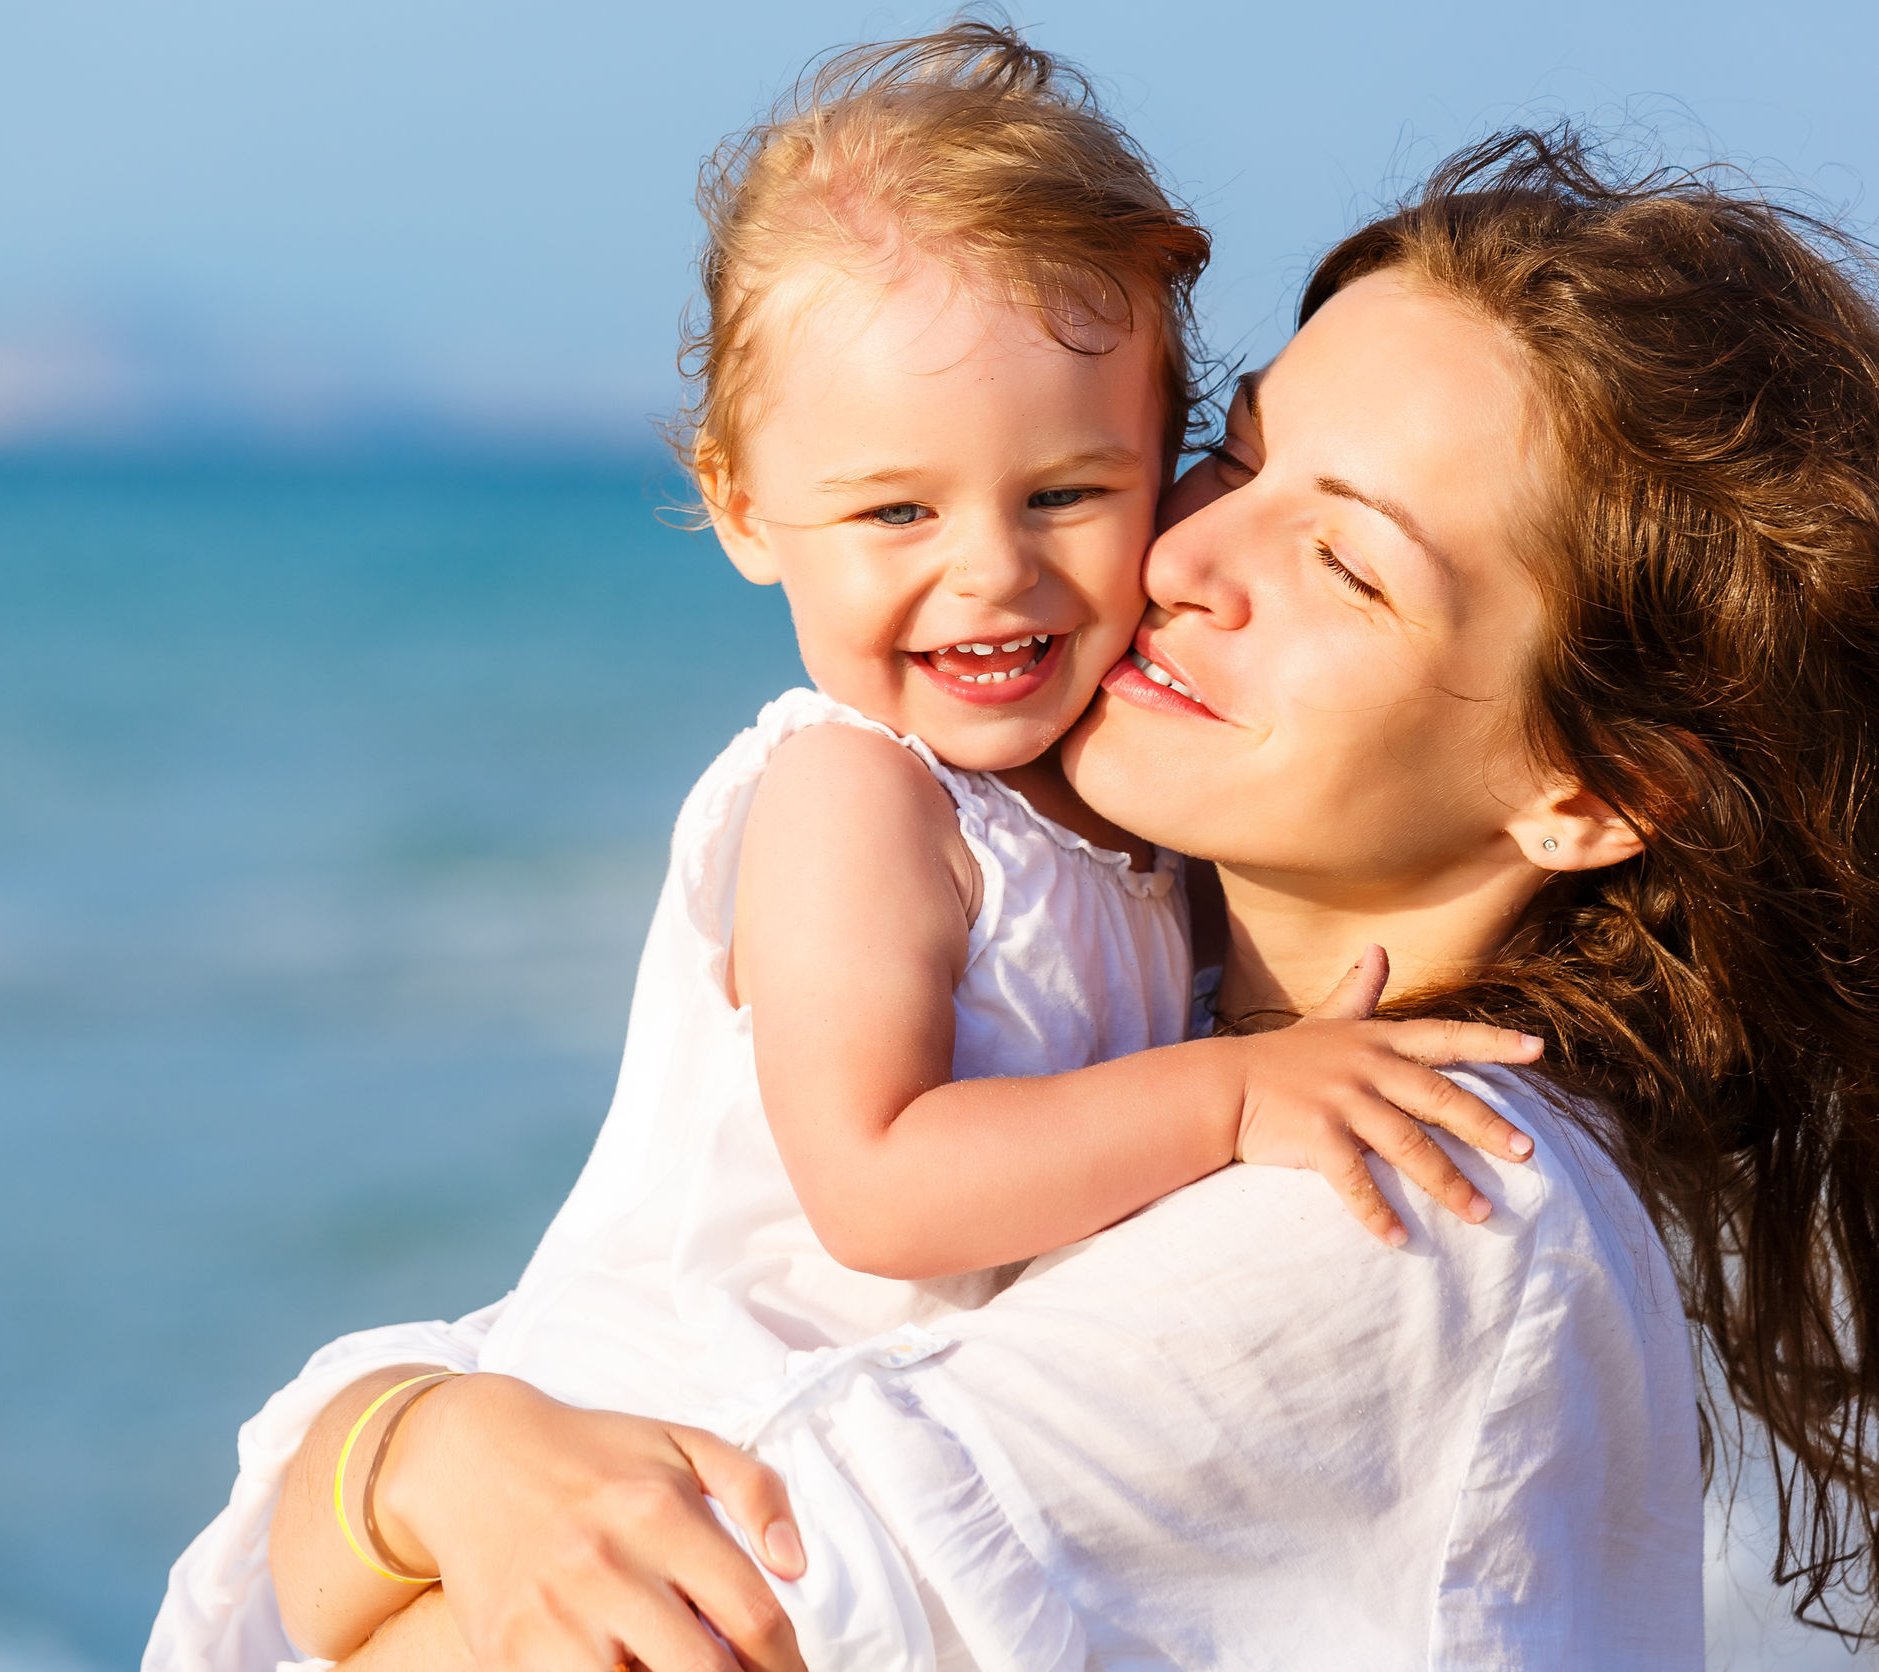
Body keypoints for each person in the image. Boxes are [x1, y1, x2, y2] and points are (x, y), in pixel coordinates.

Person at [150, 120, 1879, 1671]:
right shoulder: (1131, 995)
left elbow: (659, 1626)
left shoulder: (1406, 1208)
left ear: (1598, 790)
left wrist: (401, 1473)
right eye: (1235, 454)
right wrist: (437, 1454)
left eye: (1344, 561)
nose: (1180, 561)